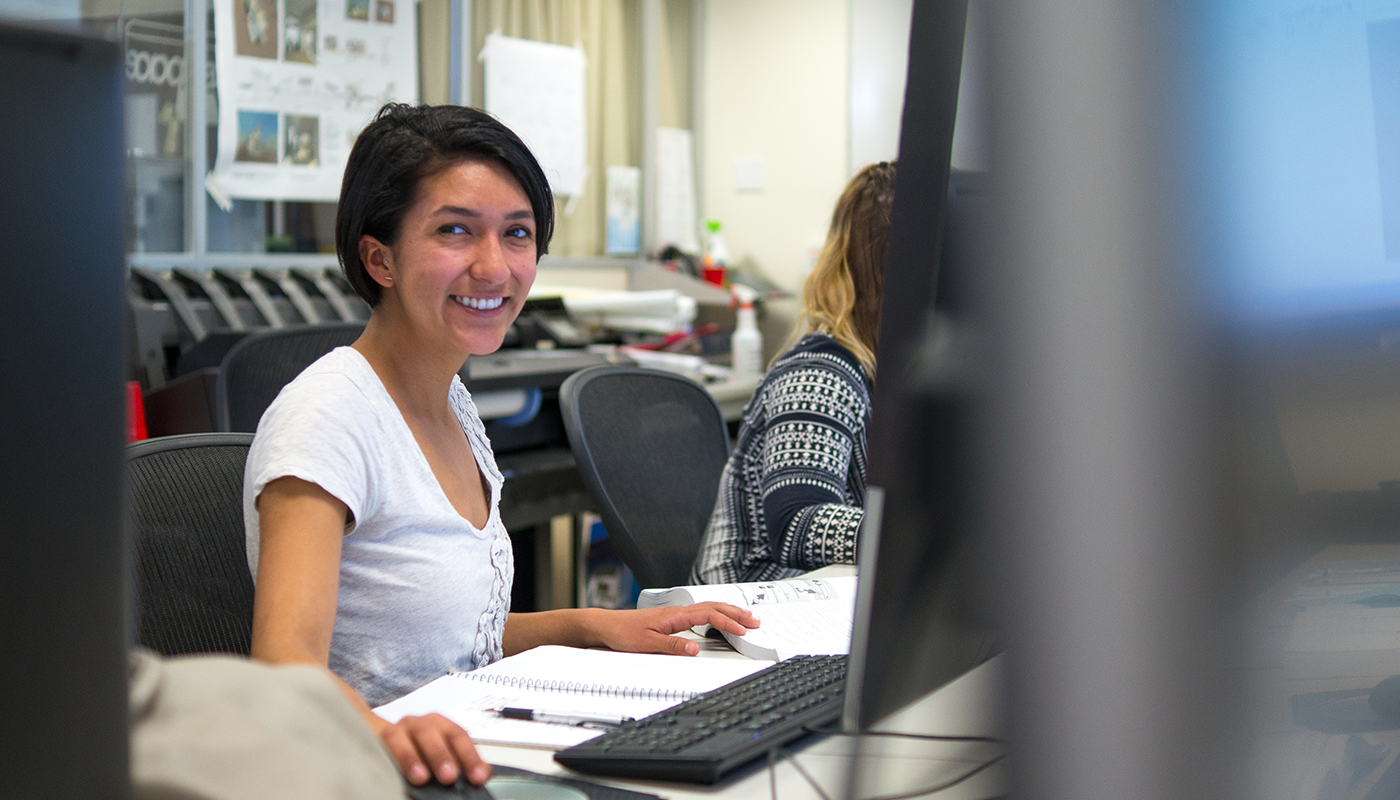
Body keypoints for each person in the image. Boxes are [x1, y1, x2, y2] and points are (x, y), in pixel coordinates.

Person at [243, 104, 758, 789]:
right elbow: (284, 670)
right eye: (455, 230)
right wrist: (394, 738)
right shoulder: (328, 417)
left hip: (471, 749)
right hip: (366, 772)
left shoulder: (450, 398)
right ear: (380, 257)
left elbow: (449, 637)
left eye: (517, 234)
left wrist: (594, 625)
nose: (494, 267)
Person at [691, 162, 895, 585]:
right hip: (752, 604)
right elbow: (799, 523)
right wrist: (922, 534)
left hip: (831, 596)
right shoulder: (821, 373)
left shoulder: (894, 372)